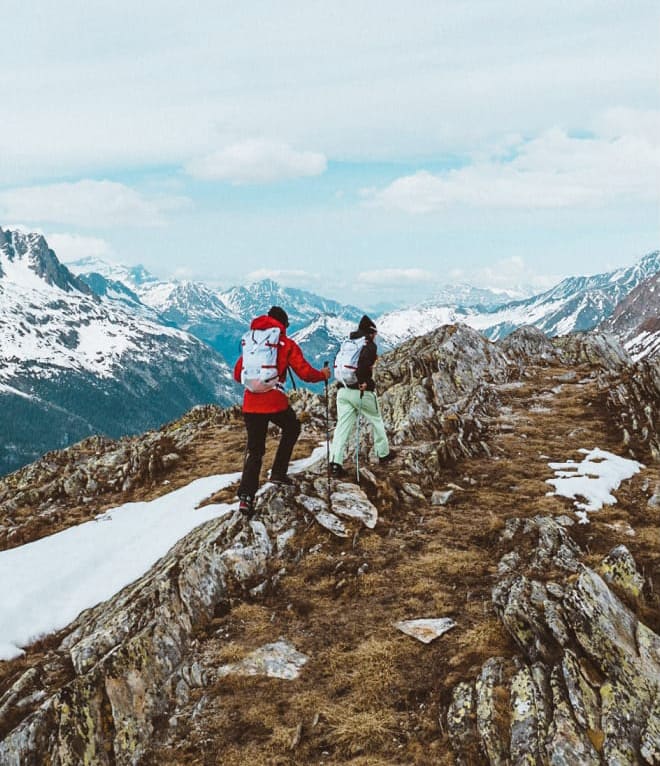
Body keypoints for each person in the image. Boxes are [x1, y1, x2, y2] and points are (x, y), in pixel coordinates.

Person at [234, 306, 331, 515]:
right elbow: (305, 372)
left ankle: (245, 497)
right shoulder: (285, 343)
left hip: (250, 403)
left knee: (255, 450)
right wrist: (323, 375)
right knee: (292, 427)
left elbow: (236, 373)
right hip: (274, 402)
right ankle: (278, 472)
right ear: (283, 324)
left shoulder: (252, 343)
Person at [329, 314, 394, 476]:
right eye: (375, 334)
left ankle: (335, 463)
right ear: (371, 333)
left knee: (342, 427)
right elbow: (363, 365)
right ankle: (383, 453)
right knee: (376, 419)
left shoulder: (349, 343)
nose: (376, 337)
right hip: (360, 392)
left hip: (342, 390)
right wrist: (366, 382)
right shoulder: (368, 345)